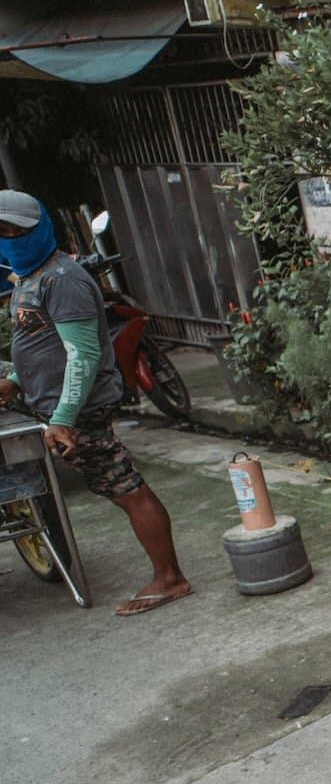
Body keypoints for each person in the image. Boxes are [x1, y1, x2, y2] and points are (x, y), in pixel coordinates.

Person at [0, 189, 190, 616]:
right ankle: (168, 575)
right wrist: (14, 382)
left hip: (79, 407)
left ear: (40, 229)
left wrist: (63, 418)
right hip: (54, 402)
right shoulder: (31, 276)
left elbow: (83, 355)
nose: (9, 239)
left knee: (125, 487)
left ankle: (170, 579)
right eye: (1, 233)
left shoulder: (61, 279)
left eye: (16, 231)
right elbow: (42, 342)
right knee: (116, 485)